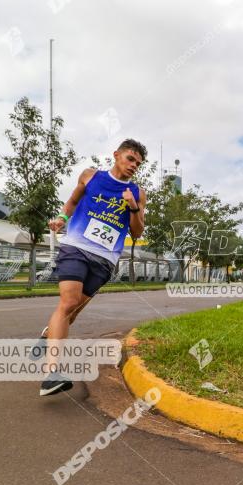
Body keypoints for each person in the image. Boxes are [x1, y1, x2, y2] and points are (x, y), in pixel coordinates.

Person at [37, 138, 147, 396]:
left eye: (138, 164)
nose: (133, 166)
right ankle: (51, 373)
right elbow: (73, 202)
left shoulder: (138, 193)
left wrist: (132, 206)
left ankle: (48, 334)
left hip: (105, 259)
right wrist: (62, 219)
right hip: (76, 246)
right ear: (116, 155)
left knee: (73, 310)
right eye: (130, 159)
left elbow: (137, 230)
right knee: (68, 301)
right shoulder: (90, 176)